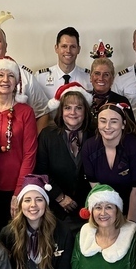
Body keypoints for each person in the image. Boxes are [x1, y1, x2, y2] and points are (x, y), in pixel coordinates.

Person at [0, 57, 38, 228]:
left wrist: (19, 192)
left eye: (11, 75)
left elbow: (29, 154)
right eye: (0, 75)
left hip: (15, 188)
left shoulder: (26, 112)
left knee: (13, 236)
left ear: (17, 81)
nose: (5, 80)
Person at [37, 82, 94, 230]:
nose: (73, 112)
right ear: (61, 110)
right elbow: (41, 172)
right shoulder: (47, 135)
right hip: (56, 209)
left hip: (89, 209)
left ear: (85, 111)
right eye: (68, 108)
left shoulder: (95, 135)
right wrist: (60, 197)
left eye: (78, 108)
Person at [81, 103, 136, 223]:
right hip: (105, 207)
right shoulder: (89, 147)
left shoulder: (134, 147)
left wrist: (130, 223)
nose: (107, 126)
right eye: (103, 121)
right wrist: (107, 218)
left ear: (123, 124)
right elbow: (96, 187)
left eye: (114, 121)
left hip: (133, 208)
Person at [37, 27, 91, 101]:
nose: (68, 51)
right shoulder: (41, 78)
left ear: (78, 49)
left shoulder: (88, 78)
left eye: (73, 47)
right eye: (64, 46)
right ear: (56, 48)